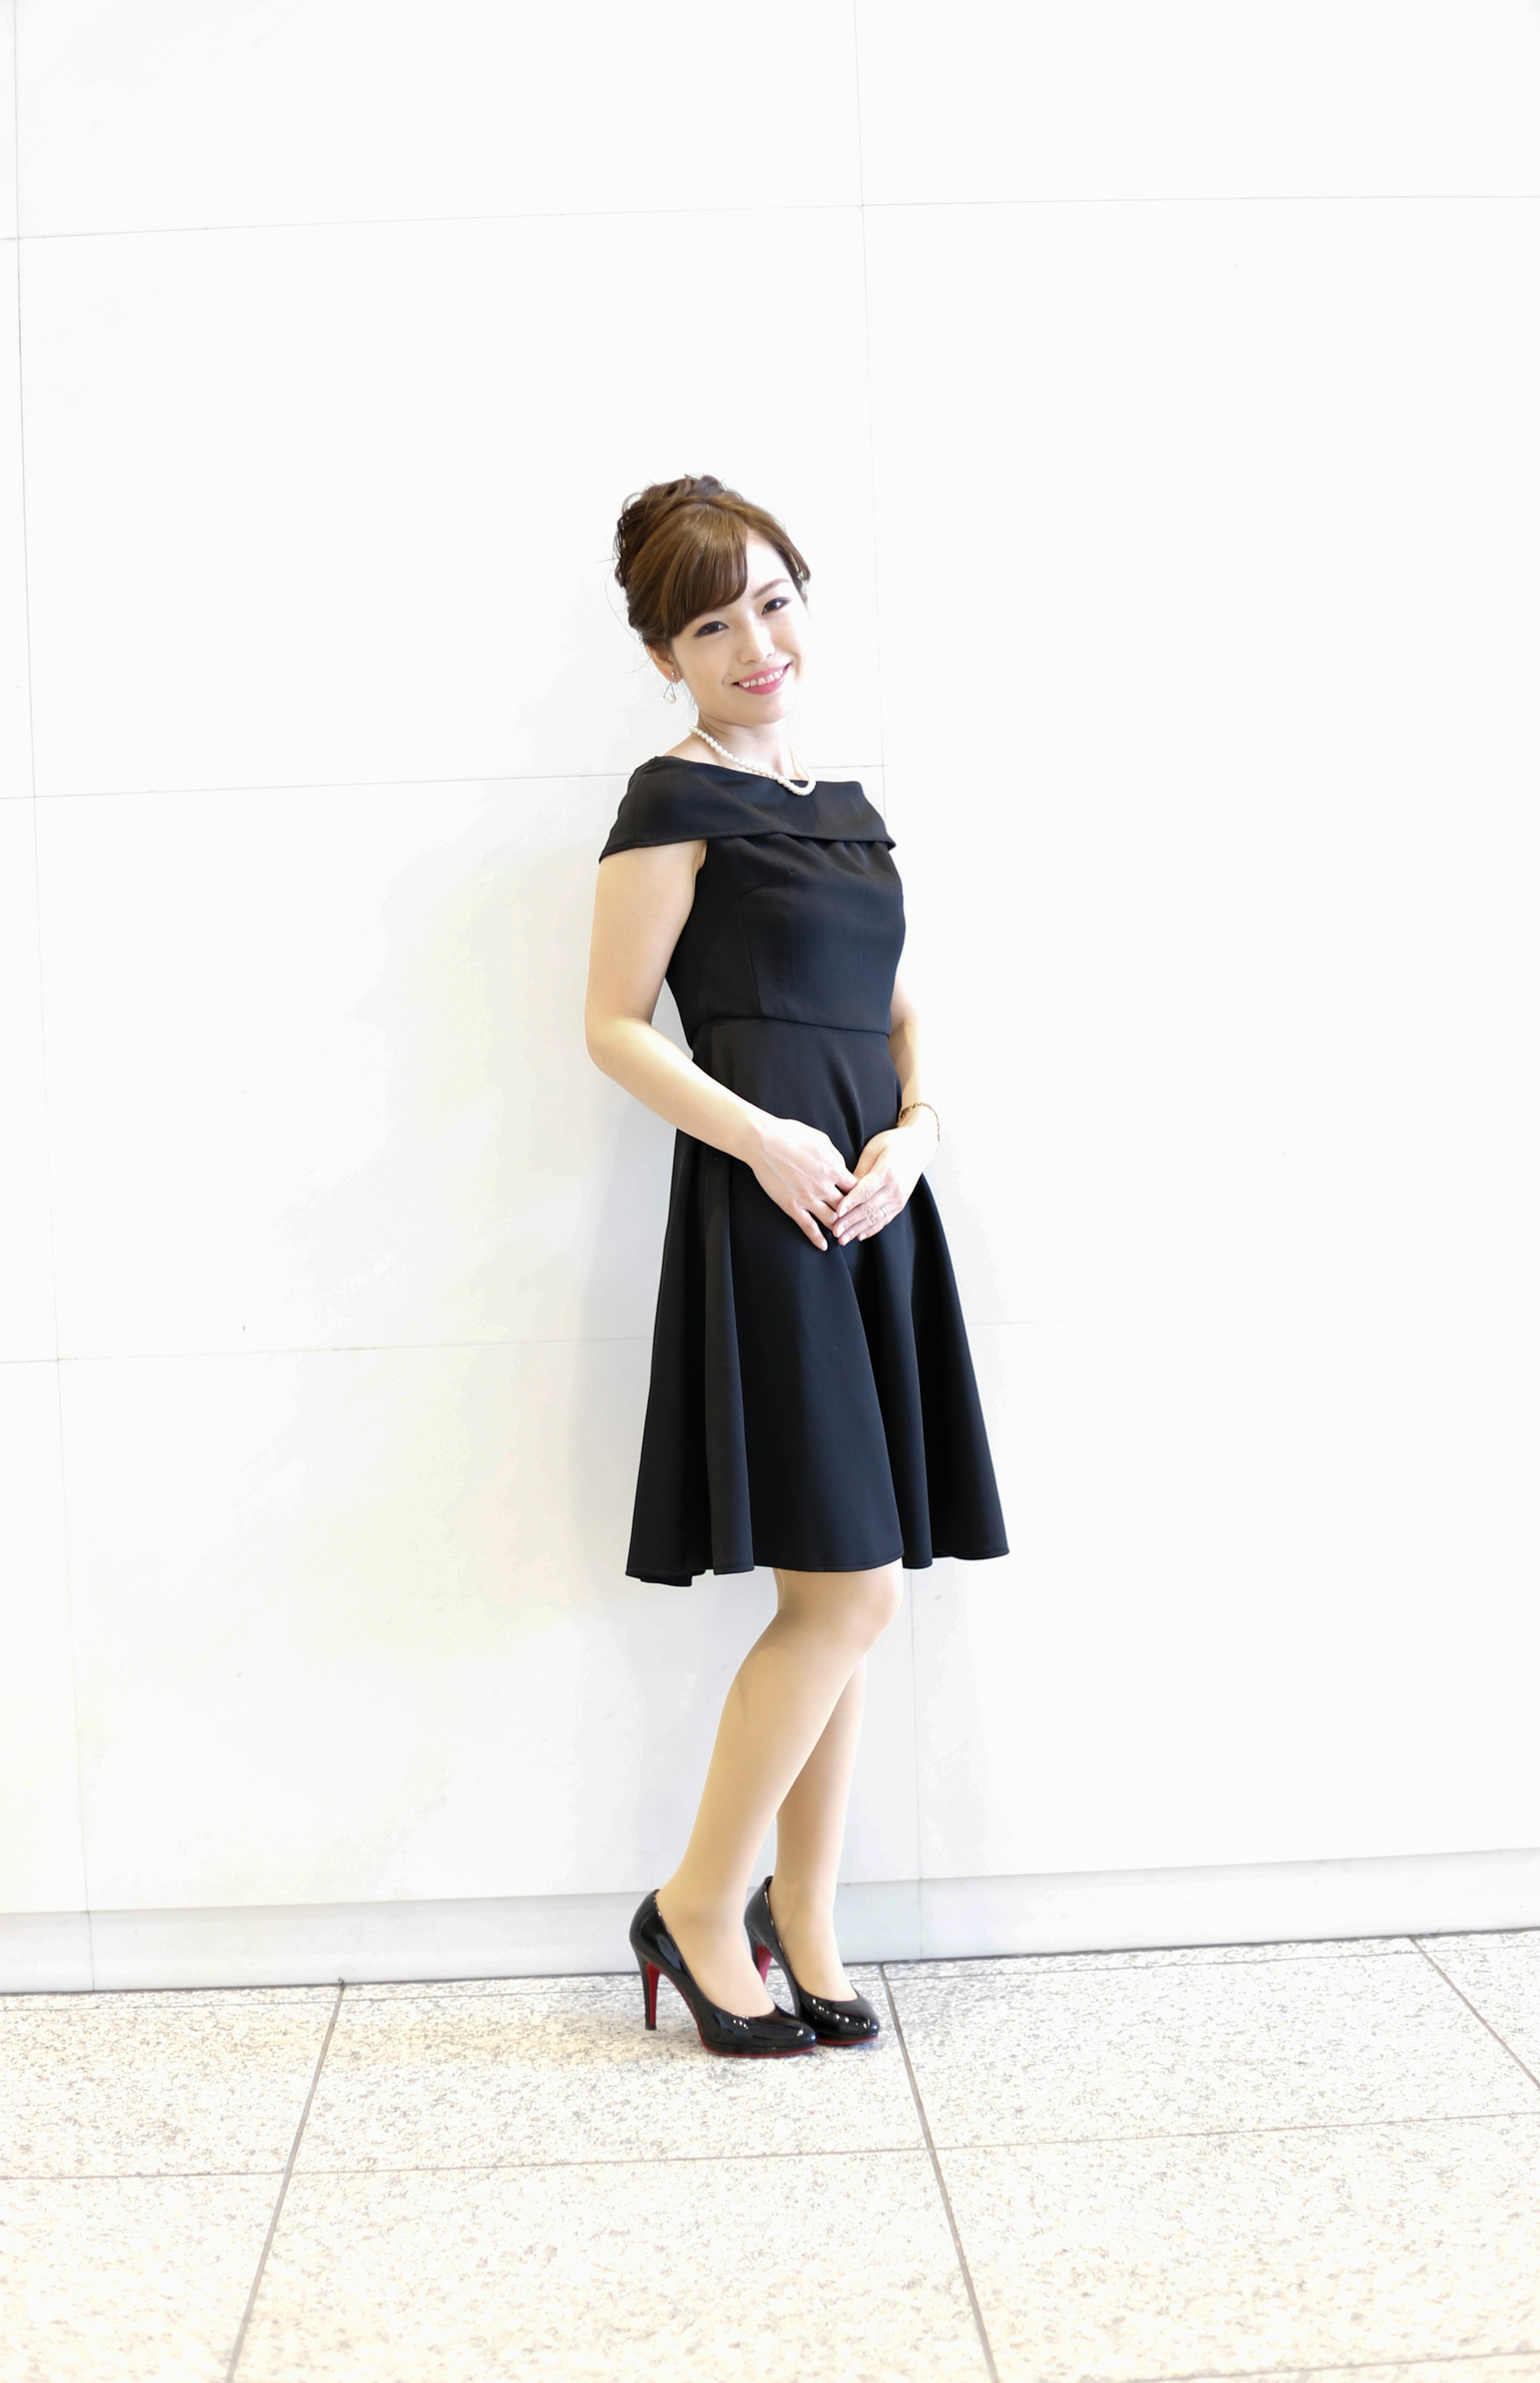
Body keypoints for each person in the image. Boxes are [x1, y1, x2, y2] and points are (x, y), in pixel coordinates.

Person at [585, 476, 1007, 2057]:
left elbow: (903, 1003)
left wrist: (918, 1127)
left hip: (874, 1202)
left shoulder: (847, 806)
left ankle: (808, 1916)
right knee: (840, 1592)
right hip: (771, 1208)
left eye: (773, 600)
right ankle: (700, 1902)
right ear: (665, 655)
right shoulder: (670, 803)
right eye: (712, 622)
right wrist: (763, 1140)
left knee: (862, 1593)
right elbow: (613, 1024)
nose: (756, 640)